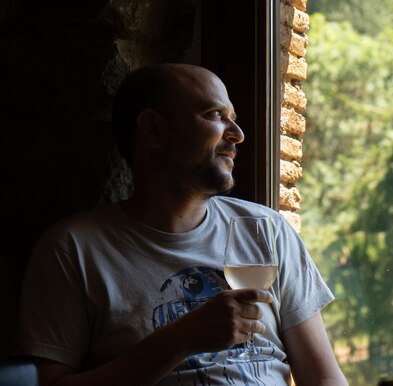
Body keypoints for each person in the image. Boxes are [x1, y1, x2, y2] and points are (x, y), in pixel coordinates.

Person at [16, 63, 348, 386]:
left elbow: (322, 376)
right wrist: (181, 340)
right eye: (214, 115)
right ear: (154, 130)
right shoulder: (72, 248)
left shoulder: (267, 230)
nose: (238, 135)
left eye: (234, 118)